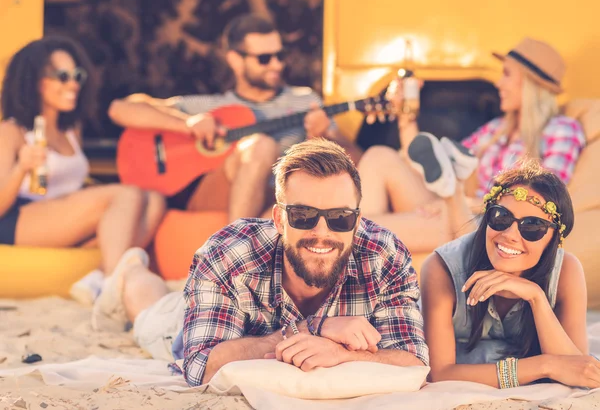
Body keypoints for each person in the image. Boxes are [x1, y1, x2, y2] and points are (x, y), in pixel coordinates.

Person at [93, 138, 428, 386]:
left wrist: (341, 353)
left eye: (340, 217)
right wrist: (312, 329)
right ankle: (129, 268)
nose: (322, 232)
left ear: (356, 220)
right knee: (150, 315)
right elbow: (200, 367)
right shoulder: (228, 252)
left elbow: (413, 361)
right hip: (184, 329)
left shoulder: (385, 255)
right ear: (280, 220)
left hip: (239, 323)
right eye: (303, 215)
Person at [108, 13, 361, 222]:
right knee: (261, 144)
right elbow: (121, 109)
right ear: (235, 61)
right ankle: (232, 249)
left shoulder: (306, 100)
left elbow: (357, 164)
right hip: (217, 192)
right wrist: (186, 124)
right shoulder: (216, 107)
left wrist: (325, 137)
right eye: (264, 58)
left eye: (280, 55)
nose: (276, 65)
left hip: (282, 195)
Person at [357, 38, 586, 253]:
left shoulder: (562, 130)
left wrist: (463, 202)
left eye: (506, 74)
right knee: (379, 157)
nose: (499, 83)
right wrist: (406, 115)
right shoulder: (496, 129)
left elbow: (544, 201)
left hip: (491, 223)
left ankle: (349, 242)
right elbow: (435, 166)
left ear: (530, 84)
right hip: (454, 208)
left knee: (357, 232)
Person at [0, 35, 166, 303]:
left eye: (77, 75)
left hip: (62, 217)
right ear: (36, 82)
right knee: (125, 195)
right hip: (20, 219)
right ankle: (115, 284)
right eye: (63, 75)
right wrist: (21, 167)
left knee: (154, 199)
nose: (73, 84)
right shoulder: (12, 131)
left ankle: (98, 278)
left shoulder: (70, 130)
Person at [420, 160, 598, 388]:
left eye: (532, 227)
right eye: (501, 217)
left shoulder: (566, 272)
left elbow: (578, 371)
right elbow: (440, 373)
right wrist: (546, 365)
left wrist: (536, 297)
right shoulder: (442, 268)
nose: (510, 234)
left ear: (554, 239)